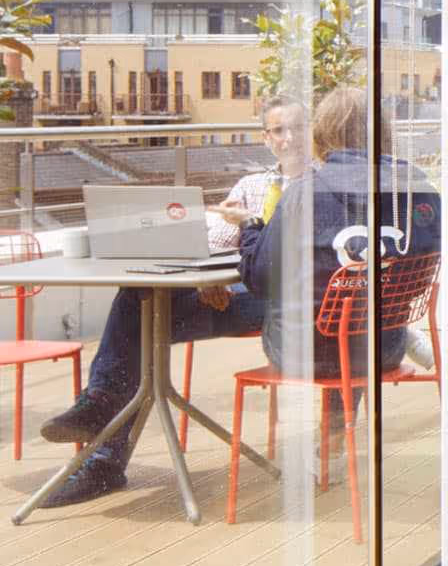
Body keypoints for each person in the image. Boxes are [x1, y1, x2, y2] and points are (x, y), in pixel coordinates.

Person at [38, 96, 310, 507]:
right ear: (265, 137)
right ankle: (100, 424)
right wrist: (204, 280)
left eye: (297, 128)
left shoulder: (321, 187)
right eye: (278, 130)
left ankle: (102, 447)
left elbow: (297, 259)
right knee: (139, 301)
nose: (289, 138)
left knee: (137, 326)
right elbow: (217, 244)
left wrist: (237, 256)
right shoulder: (250, 186)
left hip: (278, 300)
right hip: (229, 292)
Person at [241, 87, 442, 388]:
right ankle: (340, 415)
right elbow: (420, 274)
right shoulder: (420, 190)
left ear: (322, 133)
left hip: (305, 355)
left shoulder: (304, 193)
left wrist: (250, 228)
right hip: (385, 348)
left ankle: (338, 416)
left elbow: (260, 278)